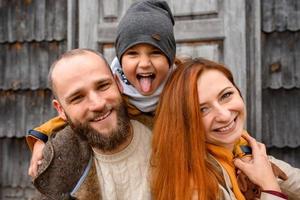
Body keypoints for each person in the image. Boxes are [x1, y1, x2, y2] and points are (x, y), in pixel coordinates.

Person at [27, 0, 177, 177]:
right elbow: (68, 116)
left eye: (156, 52)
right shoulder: (120, 92)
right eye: (132, 53)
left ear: (170, 57)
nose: (144, 63)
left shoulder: (182, 85)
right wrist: (41, 139)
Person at [151, 58, 300, 200]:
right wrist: (269, 186)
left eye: (226, 95)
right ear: (184, 122)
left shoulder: (242, 147)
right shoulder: (194, 186)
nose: (224, 115)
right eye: (202, 109)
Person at [33, 48, 152, 199]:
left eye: (103, 86)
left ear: (118, 83)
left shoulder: (166, 135)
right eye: (77, 97)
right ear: (61, 110)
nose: (98, 104)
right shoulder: (57, 165)